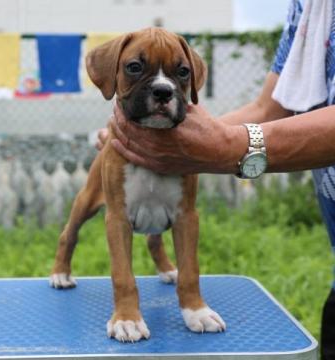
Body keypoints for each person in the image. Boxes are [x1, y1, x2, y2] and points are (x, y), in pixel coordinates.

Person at [96, 1, 335, 358]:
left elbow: (228, 147)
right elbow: (271, 108)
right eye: (134, 69)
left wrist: (227, 147)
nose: (162, 87)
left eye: (179, 75)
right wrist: (204, 142)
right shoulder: (311, 6)